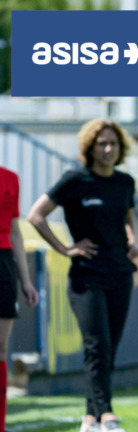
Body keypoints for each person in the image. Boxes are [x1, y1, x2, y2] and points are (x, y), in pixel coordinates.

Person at [27, 119, 138, 432]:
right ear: (90, 147)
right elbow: (35, 216)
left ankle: (90, 417)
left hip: (121, 273)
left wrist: (132, 241)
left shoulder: (125, 182)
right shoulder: (74, 180)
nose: (108, 149)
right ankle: (107, 415)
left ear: (120, 148)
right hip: (87, 276)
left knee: (108, 350)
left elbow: (127, 217)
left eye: (113, 144)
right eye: (102, 143)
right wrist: (65, 249)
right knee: (96, 346)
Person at [0, 166, 40, 432]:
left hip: (3, 264)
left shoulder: (10, 178)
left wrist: (26, 281)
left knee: (1, 349)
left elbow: (15, 231)